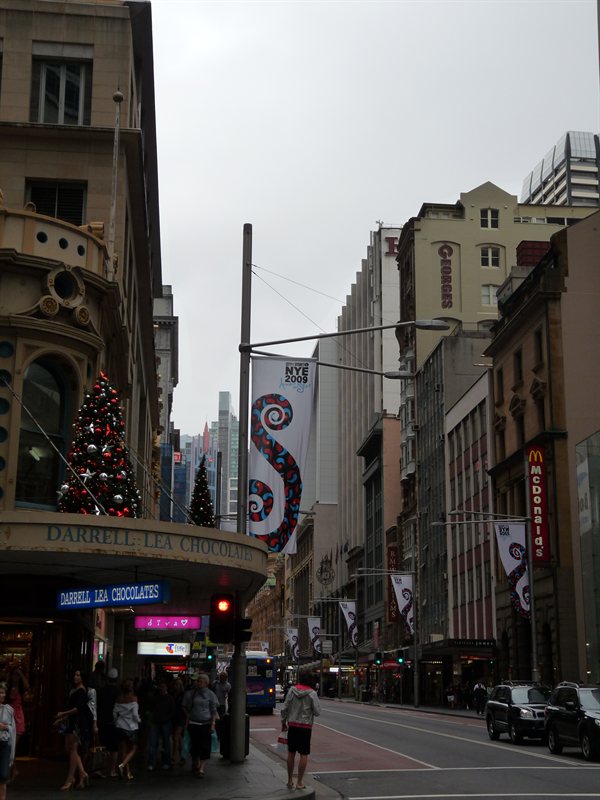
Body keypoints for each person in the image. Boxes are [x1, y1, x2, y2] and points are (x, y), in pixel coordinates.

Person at [280, 673, 321, 790]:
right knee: (304, 754)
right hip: (305, 727)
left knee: (291, 753)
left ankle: (289, 780)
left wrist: (283, 722)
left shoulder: (292, 690)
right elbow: (317, 712)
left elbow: (284, 708)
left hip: (292, 725)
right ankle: (299, 782)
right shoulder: (312, 693)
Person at [53, 669, 92, 791]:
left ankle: (70, 778)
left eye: (78, 675)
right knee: (70, 749)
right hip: (72, 721)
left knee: (73, 749)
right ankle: (82, 773)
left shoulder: (81, 691)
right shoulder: (75, 690)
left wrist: (63, 714)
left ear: (82, 678)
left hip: (77, 723)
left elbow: (78, 709)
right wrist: (63, 718)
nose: (75, 677)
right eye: (75, 675)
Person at [182, 673, 218, 778]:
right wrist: (188, 715)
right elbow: (184, 705)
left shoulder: (211, 694)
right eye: (198, 681)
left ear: (206, 683)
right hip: (193, 723)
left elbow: (213, 710)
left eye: (201, 681)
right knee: (195, 746)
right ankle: (196, 763)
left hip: (206, 724)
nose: (199, 683)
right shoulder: (192, 693)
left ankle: (201, 768)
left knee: (205, 746)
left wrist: (213, 724)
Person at [113, 679, 140, 781]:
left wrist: (116, 722)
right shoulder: (134, 699)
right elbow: (135, 715)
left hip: (120, 726)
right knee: (133, 748)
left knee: (123, 750)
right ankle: (123, 765)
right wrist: (139, 720)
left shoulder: (119, 699)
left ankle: (127, 772)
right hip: (131, 727)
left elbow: (114, 713)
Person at [96, 667, 120, 778]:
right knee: (114, 747)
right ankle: (112, 770)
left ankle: (101, 769)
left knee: (102, 745)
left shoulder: (101, 691)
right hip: (114, 722)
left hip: (102, 721)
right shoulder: (118, 692)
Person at [6, 668, 29, 780]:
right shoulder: (8, 687)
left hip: (18, 718)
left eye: (17, 675)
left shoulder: (21, 688)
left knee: (13, 746)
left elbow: (27, 686)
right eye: (14, 675)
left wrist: (21, 674)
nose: (15, 677)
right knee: (8, 745)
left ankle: (11, 770)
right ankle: (13, 769)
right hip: (8, 718)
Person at [146, 681, 175, 771]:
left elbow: (172, 711)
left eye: (163, 686)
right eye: (160, 686)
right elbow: (151, 709)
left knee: (165, 743)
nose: (161, 688)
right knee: (153, 743)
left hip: (164, 722)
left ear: (166, 687)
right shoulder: (156, 698)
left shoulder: (169, 698)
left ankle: (165, 762)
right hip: (157, 722)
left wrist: (166, 718)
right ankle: (152, 763)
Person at [0, 683, 16, 800]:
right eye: (0, 692)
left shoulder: (9, 709)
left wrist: (6, 727)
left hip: (4, 743)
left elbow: (13, 728)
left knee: (3, 775)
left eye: (3, 692)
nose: (2, 695)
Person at [170, 679, 186, 767]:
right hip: (173, 718)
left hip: (181, 718)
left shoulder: (183, 695)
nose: (176, 686)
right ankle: (182, 757)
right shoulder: (172, 694)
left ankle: (173, 757)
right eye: (175, 684)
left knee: (176, 737)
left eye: (178, 684)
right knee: (177, 739)